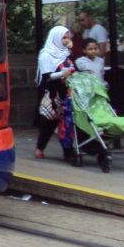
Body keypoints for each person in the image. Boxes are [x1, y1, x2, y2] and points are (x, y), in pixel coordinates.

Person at [34, 25, 76, 159]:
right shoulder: (46, 54)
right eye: (64, 37)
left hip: (67, 92)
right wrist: (62, 74)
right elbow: (47, 76)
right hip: (52, 93)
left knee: (67, 122)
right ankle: (40, 148)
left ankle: (68, 151)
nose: (66, 40)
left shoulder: (66, 53)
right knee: (49, 122)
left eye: (68, 37)